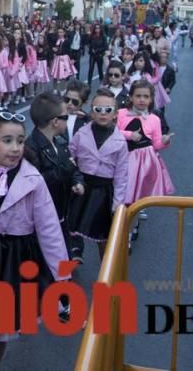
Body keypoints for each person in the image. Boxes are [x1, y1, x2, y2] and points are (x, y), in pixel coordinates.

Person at [0, 106, 70, 371]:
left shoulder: (33, 179)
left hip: (12, 258)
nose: (15, 148)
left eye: (20, 141)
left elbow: (49, 229)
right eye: (7, 140)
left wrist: (62, 276)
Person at [65, 90, 130, 259]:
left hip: (103, 191)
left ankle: (106, 275)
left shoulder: (120, 141)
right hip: (81, 187)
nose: (103, 113)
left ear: (115, 114)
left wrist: (118, 204)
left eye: (108, 110)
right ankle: (66, 268)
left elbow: (121, 176)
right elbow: (70, 155)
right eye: (98, 109)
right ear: (91, 112)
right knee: (70, 230)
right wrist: (70, 168)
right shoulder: (81, 134)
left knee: (104, 236)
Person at [24, 93, 85, 264]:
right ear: (55, 121)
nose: (69, 119)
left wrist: (77, 181)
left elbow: (71, 167)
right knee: (50, 262)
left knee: (63, 257)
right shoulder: (31, 149)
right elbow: (38, 183)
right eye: (66, 116)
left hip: (62, 212)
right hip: (44, 219)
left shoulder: (60, 140)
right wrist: (68, 169)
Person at [117, 80, 174, 244]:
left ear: (151, 99)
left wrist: (165, 141)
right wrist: (128, 135)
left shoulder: (154, 119)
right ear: (131, 97)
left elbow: (156, 144)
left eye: (145, 96)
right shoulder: (121, 114)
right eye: (138, 96)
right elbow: (113, 133)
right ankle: (119, 228)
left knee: (136, 199)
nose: (142, 100)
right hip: (124, 158)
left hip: (144, 162)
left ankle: (130, 230)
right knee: (122, 197)